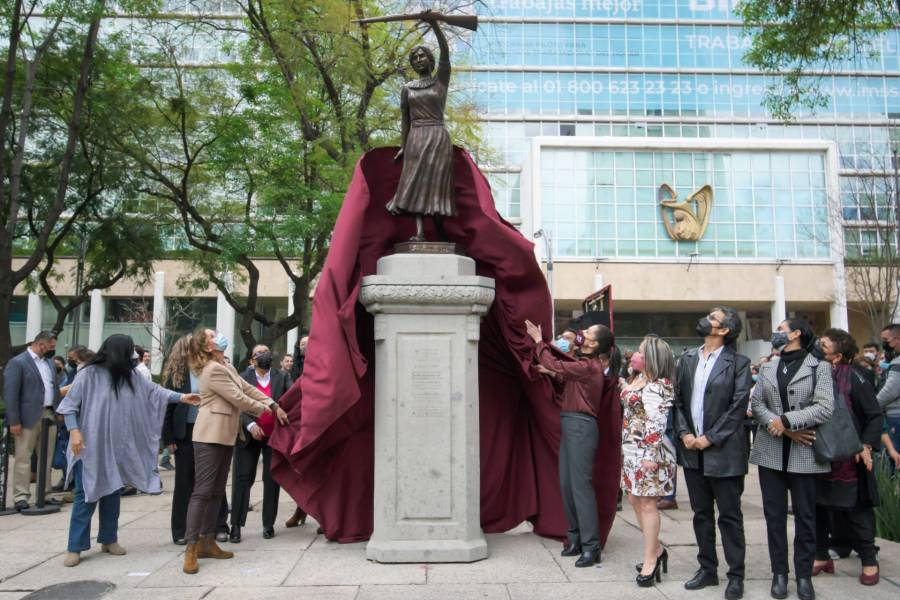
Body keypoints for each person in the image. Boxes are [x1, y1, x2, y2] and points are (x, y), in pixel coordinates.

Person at [56, 334, 200, 567]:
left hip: (116, 447)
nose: (134, 357)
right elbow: (69, 407)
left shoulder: (130, 376)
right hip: (90, 447)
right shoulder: (88, 375)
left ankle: (109, 539)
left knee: (113, 491)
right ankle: (75, 546)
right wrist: (74, 431)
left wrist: (183, 397)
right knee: (86, 495)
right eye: (129, 352)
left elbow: (156, 392)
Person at [182, 328, 288, 575]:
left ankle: (208, 542)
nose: (218, 335)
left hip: (225, 434)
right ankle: (191, 546)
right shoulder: (213, 369)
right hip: (209, 435)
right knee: (203, 491)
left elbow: (247, 388)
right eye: (212, 334)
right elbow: (238, 398)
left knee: (217, 491)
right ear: (208, 346)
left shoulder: (225, 367)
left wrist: (272, 403)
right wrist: (268, 411)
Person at [525, 319, 620, 568]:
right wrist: (553, 373)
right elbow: (563, 374)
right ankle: (575, 539)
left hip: (581, 426)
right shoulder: (584, 365)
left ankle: (591, 546)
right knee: (567, 485)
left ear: (594, 343)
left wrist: (538, 342)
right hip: (571, 424)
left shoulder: (589, 365)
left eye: (588, 332)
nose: (582, 333)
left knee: (580, 487)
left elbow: (555, 363)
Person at [750, 318, 834, 600]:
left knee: (806, 517)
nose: (776, 334)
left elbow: (824, 407)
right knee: (774, 517)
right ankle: (779, 574)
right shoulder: (768, 366)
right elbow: (757, 404)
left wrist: (787, 421)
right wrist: (781, 427)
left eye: (781, 329)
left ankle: (803, 575)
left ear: (797, 334)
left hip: (805, 451)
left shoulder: (819, 367)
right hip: (772, 450)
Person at [673, 307, 752, 600]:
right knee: (701, 514)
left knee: (730, 517)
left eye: (713, 317)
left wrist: (710, 438)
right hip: (692, 451)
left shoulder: (739, 363)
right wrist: (685, 434)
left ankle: (736, 575)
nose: (706, 319)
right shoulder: (687, 359)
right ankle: (707, 569)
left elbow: (738, 406)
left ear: (724, 330)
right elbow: (677, 400)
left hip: (725, 453)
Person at [812, 329, 882, 586]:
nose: (818, 348)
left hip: (850, 458)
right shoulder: (813, 376)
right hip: (818, 454)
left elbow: (874, 416)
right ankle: (821, 556)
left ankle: (868, 560)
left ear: (838, 355)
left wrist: (864, 445)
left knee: (856, 511)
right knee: (817, 507)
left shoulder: (855, 377)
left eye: (823, 345)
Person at [386, 13, 455, 241]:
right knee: (414, 181)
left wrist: (434, 24)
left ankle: (440, 229)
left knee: (436, 185)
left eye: (422, 55)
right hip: (416, 138)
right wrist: (403, 145)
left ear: (430, 59)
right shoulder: (407, 88)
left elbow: (445, 53)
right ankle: (419, 233)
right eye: (414, 57)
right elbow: (405, 119)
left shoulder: (440, 80)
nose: (418, 59)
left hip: (437, 137)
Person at [161, 335, 230, 546]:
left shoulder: (212, 369)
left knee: (214, 479)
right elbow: (168, 408)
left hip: (210, 429)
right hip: (185, 433)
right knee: (185, 481)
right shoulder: (177, 374)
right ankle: (180, 530)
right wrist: (169, 438)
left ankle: (219, 526)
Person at [621, 335, 676, 587]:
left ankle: (651, 560)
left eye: (640, 353)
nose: (635, 355)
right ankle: (656, 550)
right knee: (633, 499)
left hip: (647, 453)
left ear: (652, 358)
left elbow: (656, 423)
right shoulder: (639, 379)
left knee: (647, 504)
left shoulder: (658, 384)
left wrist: (650, 456)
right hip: (631, 450)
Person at [230, 345, 289, 542]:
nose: (264, 355)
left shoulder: (281, 377)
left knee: (271, 481)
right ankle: (236, 526)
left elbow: (292, 399)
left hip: (273, 438)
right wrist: (250, 424)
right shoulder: (242, 378)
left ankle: (268, 525)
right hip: (248, 437)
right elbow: (236, 403)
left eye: (266, 351)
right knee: (242, 479)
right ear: (252, 360)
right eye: (259, 353)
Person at [4, 331, 61, 512]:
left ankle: (45, 493)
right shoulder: (18, 362)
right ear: (41, 344)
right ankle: (21, 496)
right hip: (27, 418)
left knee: (47, 456)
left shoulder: (49, 363)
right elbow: (11, 394)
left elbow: (55, 387)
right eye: (51, 346)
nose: (53, 350)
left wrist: (58, 410)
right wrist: (14, 420)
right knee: (23, 457)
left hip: (49, 415)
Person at [877, 324, 900, 450]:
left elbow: (890, 392)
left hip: (896, 416)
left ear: (898, 339)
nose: (884, 344)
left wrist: (873, 406)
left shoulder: (897, 364)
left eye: (886, 340)